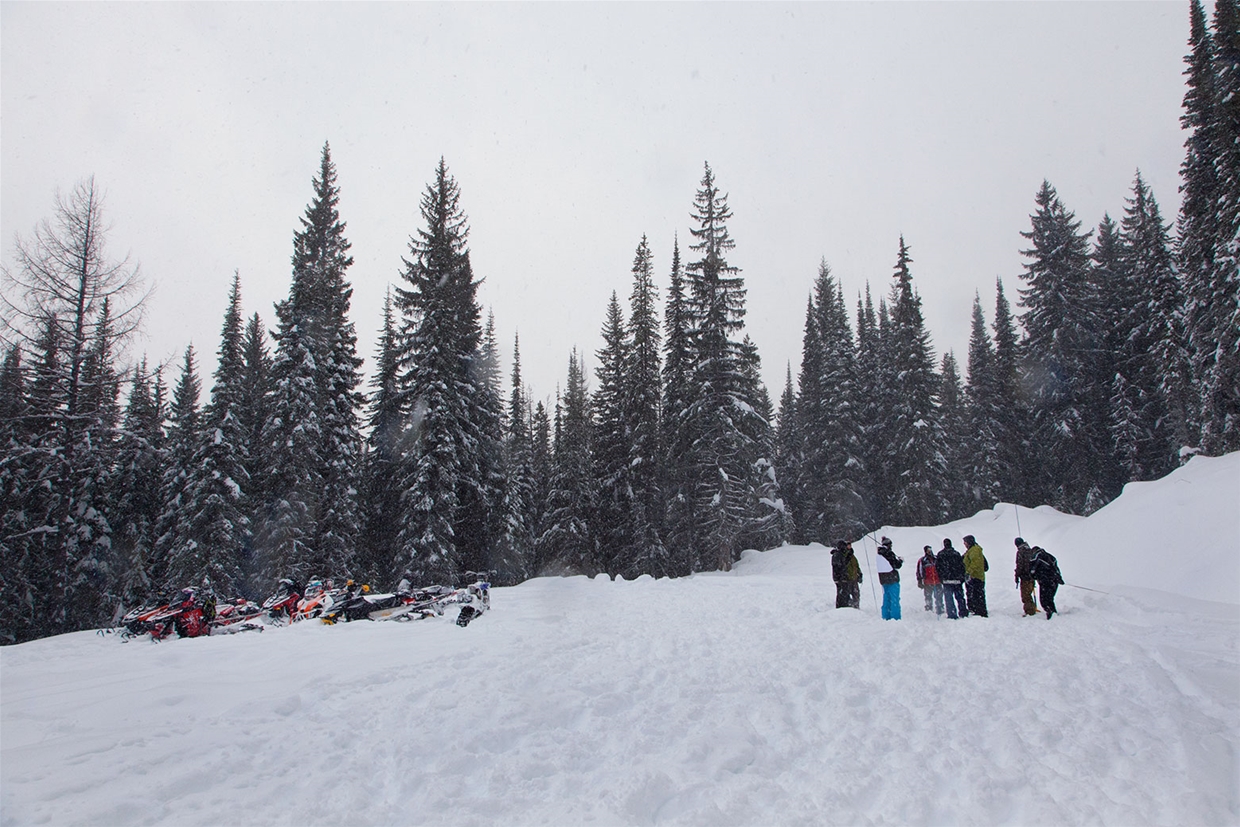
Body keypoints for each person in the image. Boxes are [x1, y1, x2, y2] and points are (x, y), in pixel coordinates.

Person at [936, 538, 969, 619]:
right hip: (957, 579)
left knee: (948, 598)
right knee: (960, 597)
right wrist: (962, 577)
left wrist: (941, 577)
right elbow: (962, 566)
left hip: (946, 580)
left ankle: (952, 613)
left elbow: (938, 568)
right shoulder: (956, 554)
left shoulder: (941, 554)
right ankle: (963, 612)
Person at [1030, 546, 1064, 619]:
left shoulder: (1037, 556)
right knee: (1050, 598)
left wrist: (1033, 576)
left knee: (1044, 600)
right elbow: (1056, 568)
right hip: (1054, 580)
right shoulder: (1051, 557)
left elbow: (1033, 569)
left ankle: (1050, 613)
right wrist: (1059, 578)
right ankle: (1053, 613)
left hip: (1045, 580)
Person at [875, 536, 903, 620]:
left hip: (883, 580)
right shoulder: (888, 553)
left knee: (886, 598)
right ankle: (895, 618)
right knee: (894, 599)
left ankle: (885, 616)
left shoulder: (879, 554)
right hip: (892, 579)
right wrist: (900, 561)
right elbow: (896, 565)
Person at [962, 534, 989, 617]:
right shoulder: (972, 550)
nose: (964, 544)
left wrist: (968, 572)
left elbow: (975, 563)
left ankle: (980, 611)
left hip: (976, 576)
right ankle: (977, 609)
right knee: (975, 594)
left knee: (977, 594)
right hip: (974, 576)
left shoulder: (974, 550)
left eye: (965, 542)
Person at [831, 540, 863, 609]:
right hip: (846, 578)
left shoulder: (851, 555)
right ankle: (846, 608)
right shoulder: (840, 555)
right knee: (844, 594)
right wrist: (843, 576)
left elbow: (856, 565)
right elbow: (842, 565)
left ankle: (855, 607)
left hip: (852, 577)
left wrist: (859, 573)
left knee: (855, 594)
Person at [916, 545, 944, 615]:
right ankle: (928, 607)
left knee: (939, 595)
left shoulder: (936, 558)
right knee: (928, 595)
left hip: (937, 580)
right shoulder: (922, 560)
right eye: (928, 550)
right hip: (927, 581)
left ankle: (940, 606)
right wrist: (920, 581)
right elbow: (919, 571)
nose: (929, 551)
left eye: (930, 550)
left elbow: (941, 568)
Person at [1014, 537, 1038, 616]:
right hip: (1032, 575)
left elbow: (1020, 565)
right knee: (1029, 592)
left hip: (1025, 576)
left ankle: (1030, 611)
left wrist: (1017, 575)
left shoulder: (1021, 552)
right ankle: (1032, 607)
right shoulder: (1030, 550)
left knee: (1025, 595)